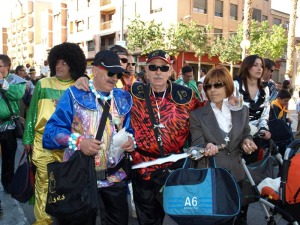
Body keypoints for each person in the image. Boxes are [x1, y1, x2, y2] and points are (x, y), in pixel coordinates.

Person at [43, 50, 134, 225]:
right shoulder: (74, 94)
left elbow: (130, 129)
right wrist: (79, 142)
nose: (115, 78)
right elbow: (51, 132)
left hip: (115, 180)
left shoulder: (123, 98)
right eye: (110, 72)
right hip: (80, 180)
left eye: (118, 73)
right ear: (95, 70)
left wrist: (131, 141)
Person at [130, 50, 203, 225]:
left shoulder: (187, 96)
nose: (158, 72)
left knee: (179, 217)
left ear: (170, 71)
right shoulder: (132, 92)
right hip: (143, 166)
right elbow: (105, 93)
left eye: (163, 68)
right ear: (146, 70)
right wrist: (84, 80)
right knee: (147, 218)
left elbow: (205, 116)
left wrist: (226, 100)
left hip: (174, 168)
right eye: (153, 67)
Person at [22, 42, 87, 225]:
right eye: (57, 62)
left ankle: (64, 214)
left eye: (65, 63)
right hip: (43, 142)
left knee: (66, 183)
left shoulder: (79, 87)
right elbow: (32, 112)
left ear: (73, 65)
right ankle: (43, 220)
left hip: (70, 145)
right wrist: (27, 138)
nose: (59, 66)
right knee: (44, 181)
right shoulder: (43, 83)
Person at [190, 66, 257, 225]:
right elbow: (196, 144)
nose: (212, 90)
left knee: (236, 218)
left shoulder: (241, 110)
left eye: (217, 85)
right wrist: (206, 146)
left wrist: (247, 141)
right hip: (211, 177)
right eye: (208, 86)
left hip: (237, 174)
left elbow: (246, 132)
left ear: (227, 86)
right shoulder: (197, 115)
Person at [0, 54, 27, 212]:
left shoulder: (16, 81)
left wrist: (2, 82)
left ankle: (8, 184)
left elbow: (17, 95)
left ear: (7, 67)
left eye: (0, 66)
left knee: (9, 157)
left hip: (8, 126)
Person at [234, 55, 271, 164]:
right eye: (255, 65)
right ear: (247, 67)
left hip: (256, 137)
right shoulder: (235, 85)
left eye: (261, 66)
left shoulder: (265, 89)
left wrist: (264, 129)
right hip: (235, 137)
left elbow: (265, 114)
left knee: (252, 171)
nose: (260, 68)